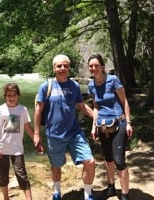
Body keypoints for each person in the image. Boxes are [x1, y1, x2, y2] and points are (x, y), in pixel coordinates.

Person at [32, 54, 98, 200]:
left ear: (69, 68)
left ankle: (88, 194)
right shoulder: (46, 86)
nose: (62, 68)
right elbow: (38, 110)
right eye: (59, 66)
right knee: (56, 165)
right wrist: (36, 134)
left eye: (65, 66)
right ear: (54, 68)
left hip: (74, 133)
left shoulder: (74, 86)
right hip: (54, 134)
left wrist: (98, 118)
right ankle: (57, 191)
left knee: (90, 161)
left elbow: (81, 106)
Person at [84, 54, 133, 200]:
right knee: (108, 159)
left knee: (119, 160)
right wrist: (94, 127)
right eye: (91, 66)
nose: (94, 68)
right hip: (103, 126)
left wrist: (129, 122)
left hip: (119, 123)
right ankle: (111, 187)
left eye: (96, 65)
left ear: (103, 66)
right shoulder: (91, 85)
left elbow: (124, 102)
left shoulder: (113, 80)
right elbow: (96, 106)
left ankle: (125, 195)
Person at [0, 82, 36, 200]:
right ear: (5, 96)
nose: (11, 98)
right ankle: (6, 198)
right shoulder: (0, 109)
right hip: (2, 149)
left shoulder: (22, 109)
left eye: (14, 95)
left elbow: (27, 127)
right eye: (8, 95)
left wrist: (36, 140)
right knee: (3, 176)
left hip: (17, 150)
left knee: (22, 175)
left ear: (18, 96)